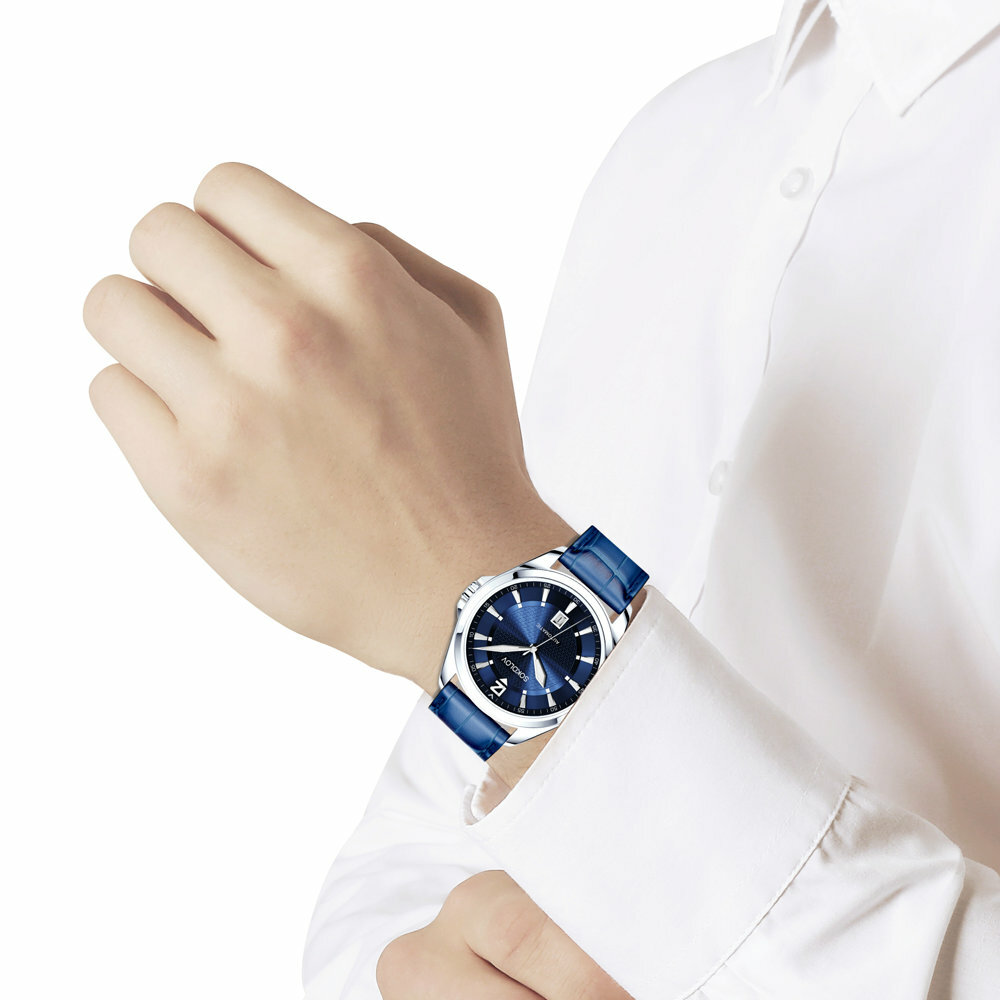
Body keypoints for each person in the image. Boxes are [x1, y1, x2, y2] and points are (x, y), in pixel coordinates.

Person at [83, 0, 1000, 996]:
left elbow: (500, 645)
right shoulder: (683, 143)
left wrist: (472, 576)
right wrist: (412, 962)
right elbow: (431, 826)